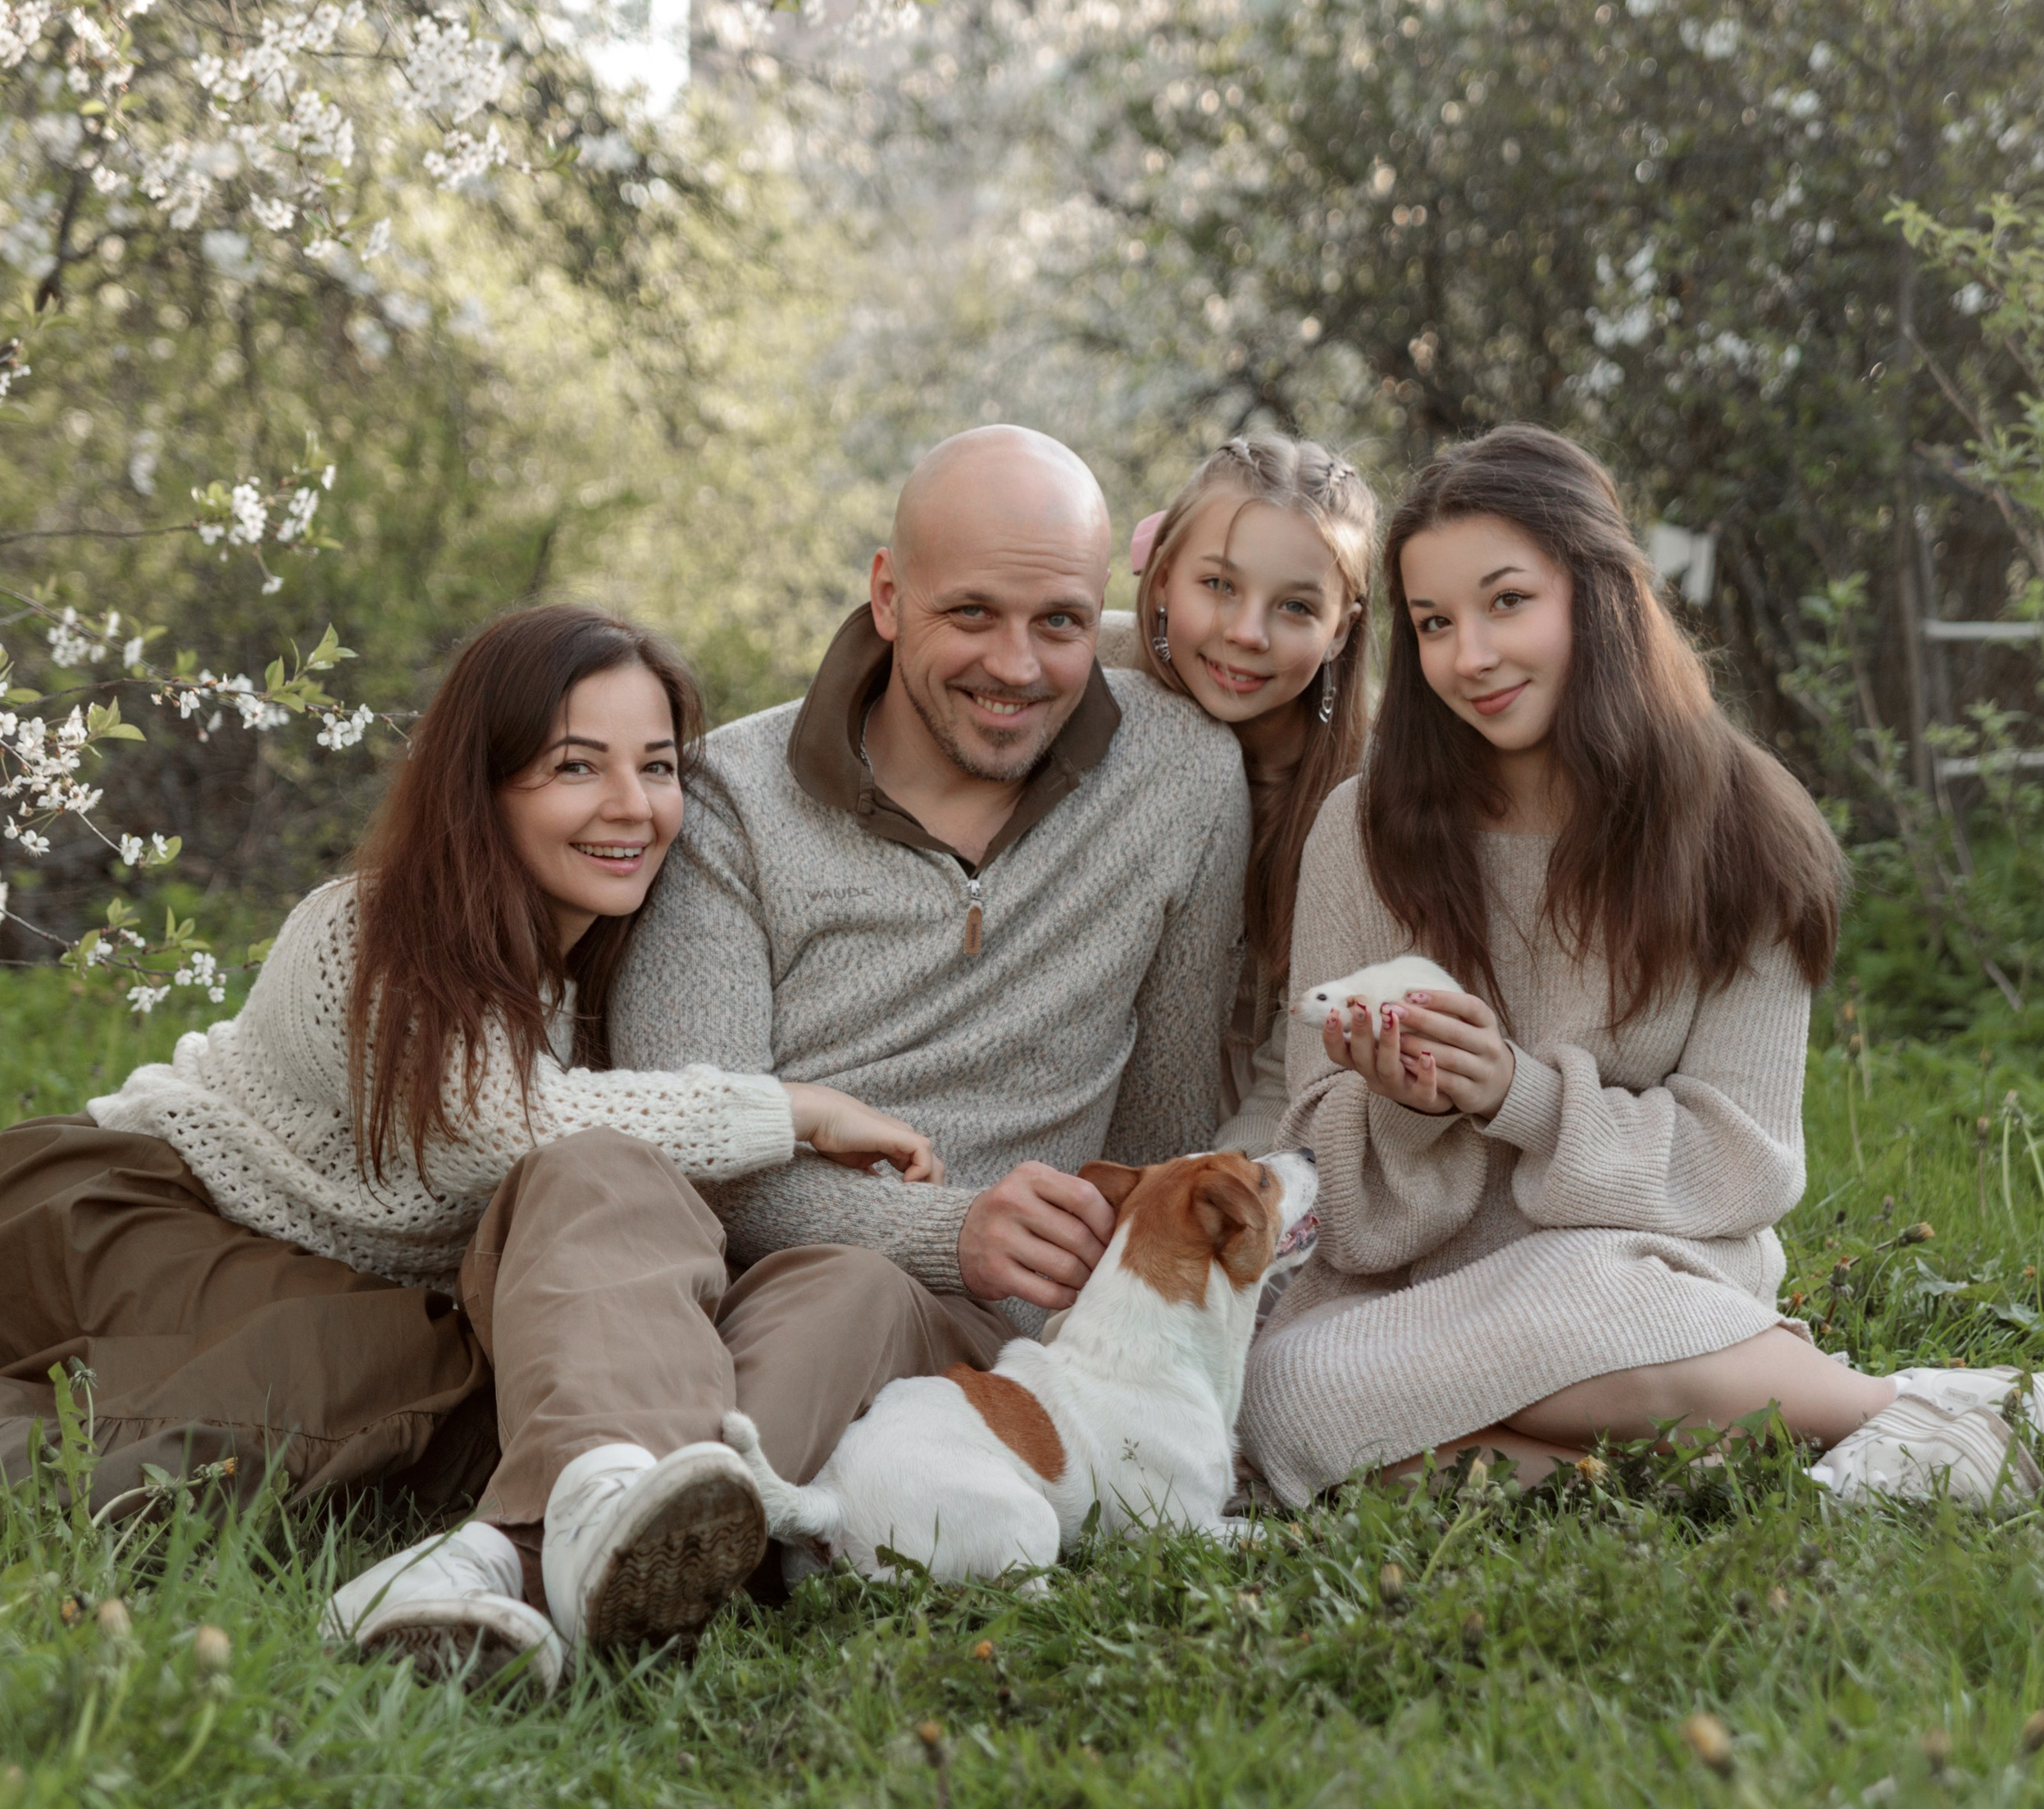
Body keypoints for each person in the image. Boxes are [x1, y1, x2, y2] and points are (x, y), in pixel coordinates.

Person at [0, 604, 990, 1688]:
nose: (631, 806)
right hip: (168, 1222)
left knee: (853, 1290)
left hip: (429, 1315)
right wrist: (793, 1109)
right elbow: (491, 1134)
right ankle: (561, 1539)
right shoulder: (365, 931)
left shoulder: (616, 967)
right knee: (227, 1434)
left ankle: (535, 1554)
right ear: (485, 786)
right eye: (577, 767)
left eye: (657, 767)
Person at [1240, 425, 2044, 1508]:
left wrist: (1520, 1098)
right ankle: (1801, 1451)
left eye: (1509, 602)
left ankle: (1887, 1412)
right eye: (1436, 623)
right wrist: (1408, 1106)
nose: (1473, 656)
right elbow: (1332, 1205)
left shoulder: (1742, 830)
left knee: (1584, 1299)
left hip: (1640, 1277)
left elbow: (1740, 1162)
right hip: (1418, 1302)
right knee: (1289, 1392)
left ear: (1597, 594)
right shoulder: (1361, 832)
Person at [612, 425, 1250, 1330]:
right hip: (768, 1297)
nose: (1016, 667)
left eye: (1059, 621)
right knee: (849, 1297)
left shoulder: (1183, 773)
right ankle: (695, 1465)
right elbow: (685, 1148)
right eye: (971, 614)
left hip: (1025, 1331)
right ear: (887, 594)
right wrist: (947, 1233)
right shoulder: (725, 799)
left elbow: (1164, 1124)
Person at [1099, 432, 1377, 1155]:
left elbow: (1294, 1069)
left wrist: (1202, 1189)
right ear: (1162, 580)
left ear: (1341, 631)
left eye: (1295, 608)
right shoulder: (1085, 674)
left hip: (1254, 1140)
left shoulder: (1365, 793)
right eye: (1218, 585)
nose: (1247, 633)